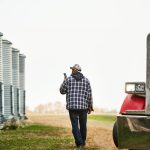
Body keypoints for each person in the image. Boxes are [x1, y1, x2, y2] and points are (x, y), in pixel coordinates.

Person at [59, 64, 93, 148]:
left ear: (76, 70)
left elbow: (62, 91)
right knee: (83, 125)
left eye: (72, 69)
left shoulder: (69, 79)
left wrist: (64, 80)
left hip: (72, 106)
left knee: (75, 126)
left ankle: (79, 143)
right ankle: (82, 142)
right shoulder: (86, 80)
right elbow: (89, 94)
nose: (71, 71)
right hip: (83, 107)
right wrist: (90, 106)